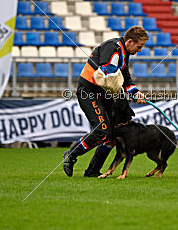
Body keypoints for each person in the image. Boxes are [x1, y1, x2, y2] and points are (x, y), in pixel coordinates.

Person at [63, 26, 149, 177]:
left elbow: (124, 77)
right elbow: (106, 71)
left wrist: (136, 93)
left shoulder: (124, 53)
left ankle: (92, 171)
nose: (140, 50)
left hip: (104, 95)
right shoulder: (112, 47)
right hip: (88, 93)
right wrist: (121, 90)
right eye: (139, 46)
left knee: (111, 135)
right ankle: (71, 154)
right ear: (129, 41)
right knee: (102, 130)